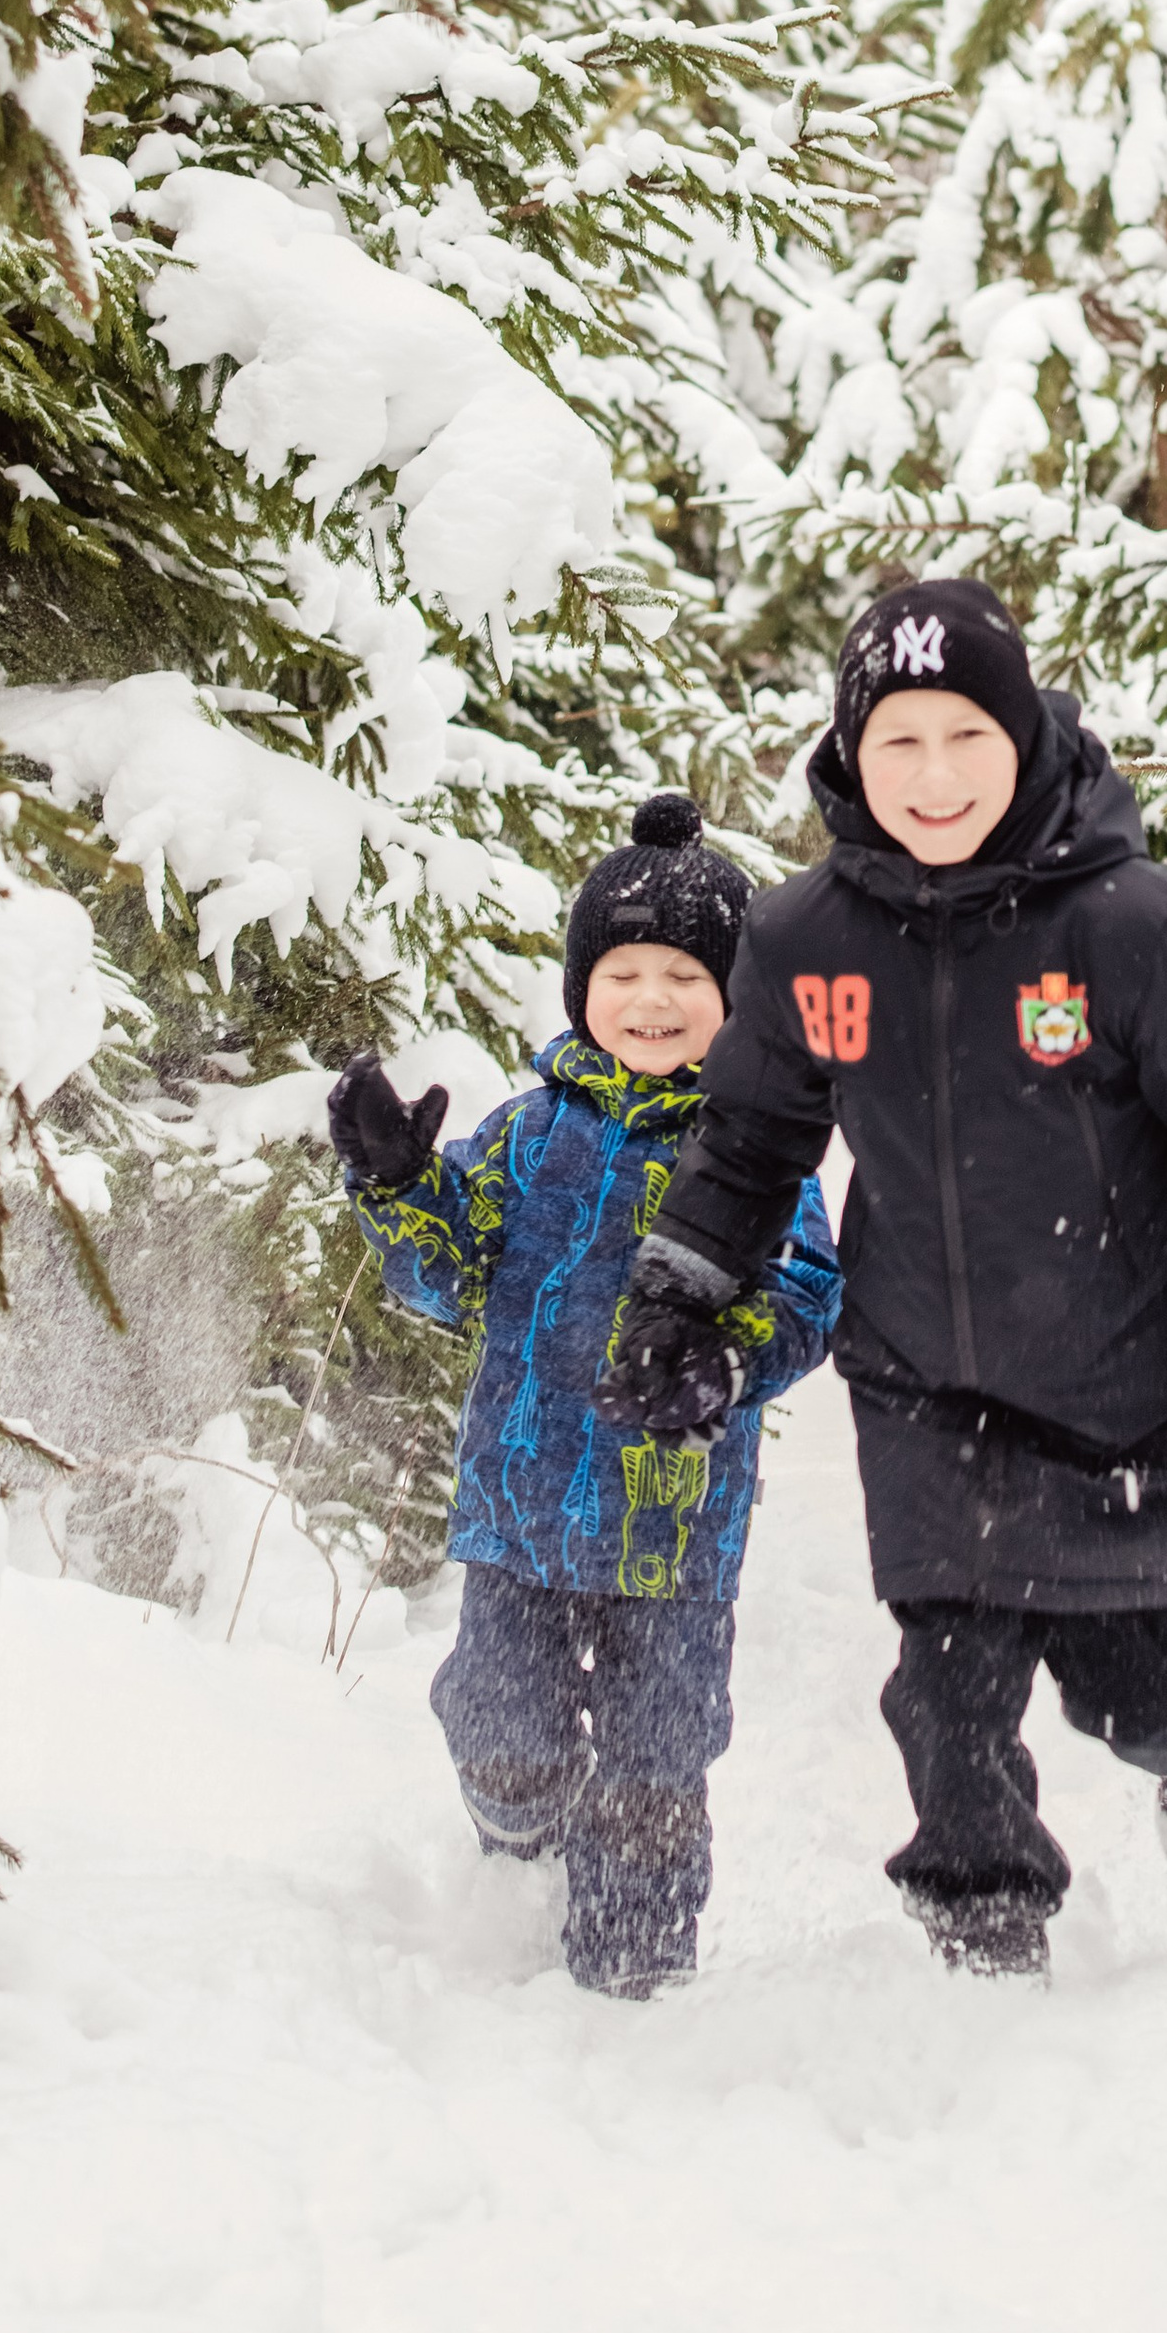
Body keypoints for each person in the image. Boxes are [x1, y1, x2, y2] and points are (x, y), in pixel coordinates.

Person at [595, 582, 1167, 1980]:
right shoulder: (811, 938)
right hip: (927, 1389)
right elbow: (754, 1141)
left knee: (1136, 1704)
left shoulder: (1137, 930)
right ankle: (986, 1956)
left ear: (1022, 733)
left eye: (964, 737)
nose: (933, 778)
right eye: (898, 744)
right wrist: (679, 1297)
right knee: (947, 1701)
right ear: (850, 755)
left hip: (1138, 1395)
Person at [328, 792, 840, 2000]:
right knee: (506, 1734)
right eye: (624, 972)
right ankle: (516, 1845)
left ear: (732, 1003)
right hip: (517, 1505)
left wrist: (728, 1354)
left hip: (674, 1527)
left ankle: (635, 1980)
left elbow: (809, 1290)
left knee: (656, 1770)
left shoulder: (756, 1148)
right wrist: (400, 1184)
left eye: (683, 977)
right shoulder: (527, 1133)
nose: (652, 1000)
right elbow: (445, 1277)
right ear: (582, 989)